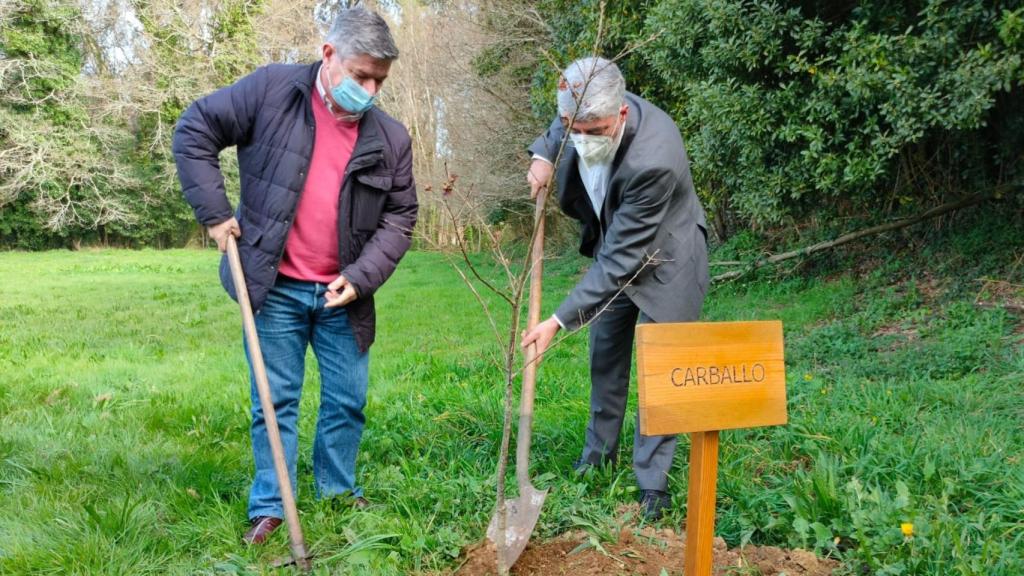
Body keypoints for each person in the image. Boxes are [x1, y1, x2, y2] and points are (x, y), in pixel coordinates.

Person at [172, 7, 417, 545]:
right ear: (329, 54)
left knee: (347, 400)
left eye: (380, 81)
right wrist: (214, 214)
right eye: (361, 76)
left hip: (342, 294)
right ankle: (271, 505)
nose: (370, 91)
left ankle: (337, 491)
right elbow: (195, 129)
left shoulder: (391, 138)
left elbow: (401, 217)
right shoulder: (271, 92)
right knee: (274, 400)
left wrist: (361, 277)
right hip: (272, 284)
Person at [521, 56, 709, 520]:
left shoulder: (655, 158)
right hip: (616, 244)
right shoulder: (578, 110)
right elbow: (563, 123)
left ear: (621, 114)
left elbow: (621, 260)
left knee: (661, 369)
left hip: (668, 257)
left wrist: (558, 321)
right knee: (605, 354)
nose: (584, 139)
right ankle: (597, 458)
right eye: (575, 129)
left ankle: (652, 482)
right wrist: (544, 156)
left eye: (596, 130)